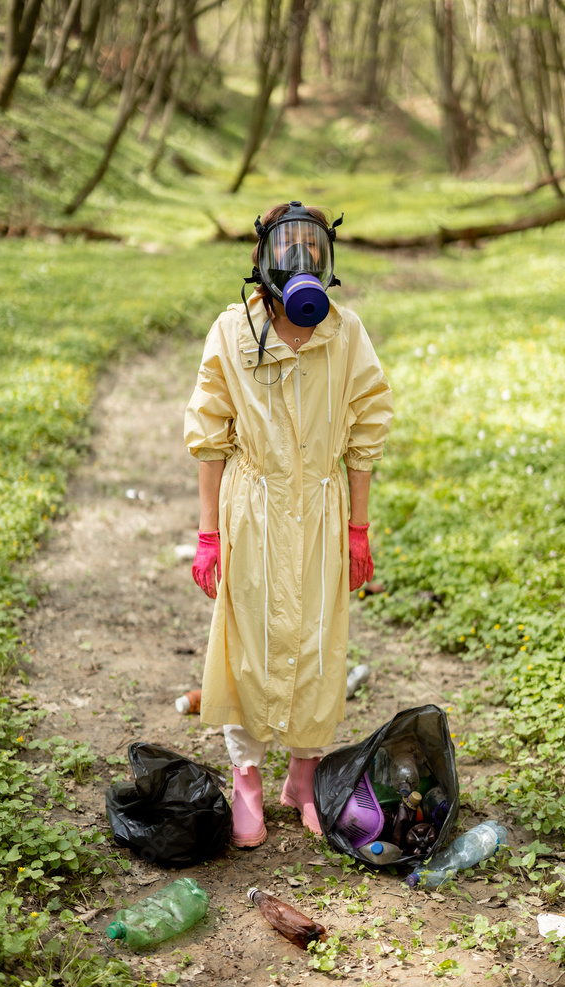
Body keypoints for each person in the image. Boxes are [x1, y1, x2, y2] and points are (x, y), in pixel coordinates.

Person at [184, 201, 393, 848]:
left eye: (312, 247)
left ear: (327, 259)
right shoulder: (231, 333)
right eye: (286, 247)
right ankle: (246, 776)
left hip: (322, 510)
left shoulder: (345, 332)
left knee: (318, 640)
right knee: (246, 637)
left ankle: (301, 778)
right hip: (252, 508)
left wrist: (357, 528)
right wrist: (208, 534)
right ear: (261, 258)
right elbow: (209, 437)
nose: (299, 260)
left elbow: (364, 431)